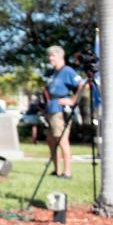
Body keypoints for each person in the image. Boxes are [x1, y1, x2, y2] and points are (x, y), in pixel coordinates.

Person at [44, 45, 83, 179]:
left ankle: (67, 172)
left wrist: (72, 100)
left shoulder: (68, 71)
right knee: (51, 140)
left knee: (62, 140)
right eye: (49, 55)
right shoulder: (54, 73)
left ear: (60, 56)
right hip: (51, 109)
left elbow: (82, 85)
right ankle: (57, 170)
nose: (50, 58)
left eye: (52, 55)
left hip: (60, 112)